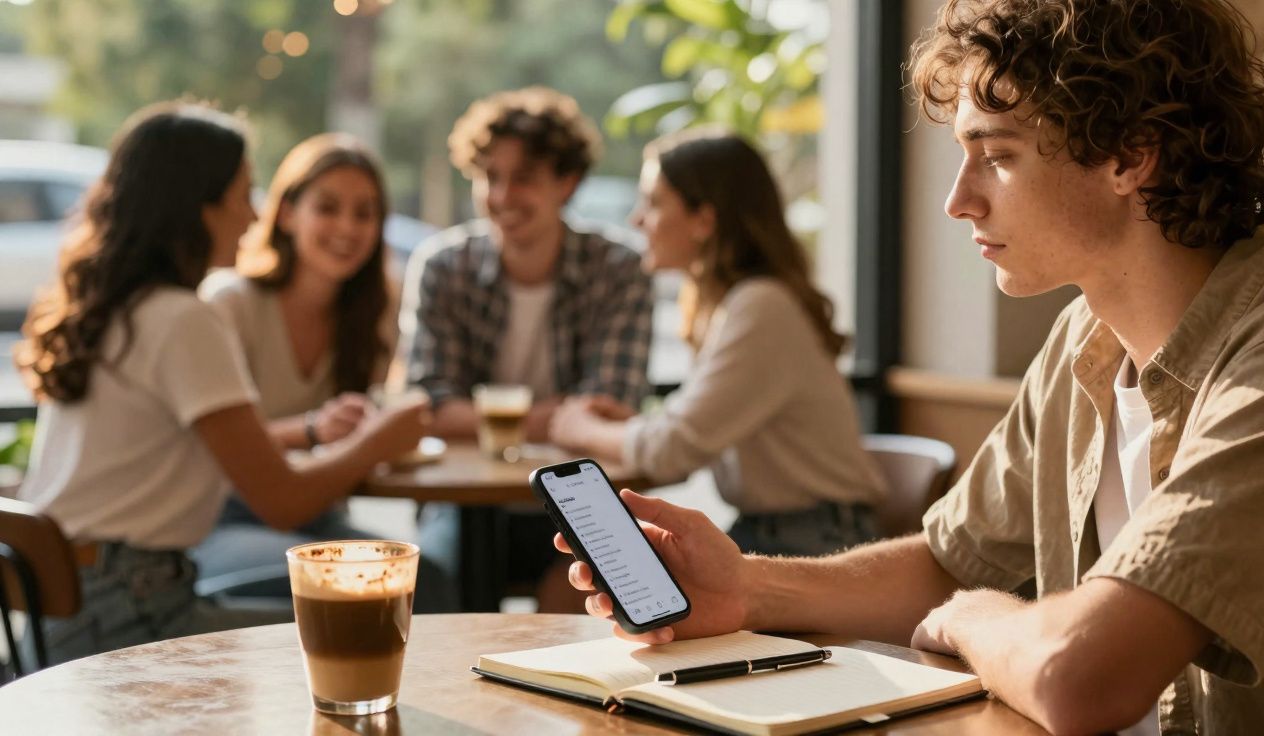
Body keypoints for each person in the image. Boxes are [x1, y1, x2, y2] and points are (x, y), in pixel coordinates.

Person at [559, 0, 1264, 732]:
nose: (959, 200)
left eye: (998, 156)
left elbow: (1080, 675)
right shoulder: (1083, 339)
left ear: (1130, 155)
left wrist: (978, 615)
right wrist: (745, 587)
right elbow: (949, 562)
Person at [13, 102, 429, 663]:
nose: (253, 217)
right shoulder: (184, 319)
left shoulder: (114, 307)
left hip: (70, 605)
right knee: (367, 630)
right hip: (127, 610)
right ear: (198, 207)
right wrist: (379, 439)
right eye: (242, 196)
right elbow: (283, 500)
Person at [549, 131, 888, 557]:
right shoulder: (734, 304)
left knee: (614, 577)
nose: (637, 220)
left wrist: (581, 428)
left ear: (703, 221)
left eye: (653, 203)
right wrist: (632, 424)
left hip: (814, 543)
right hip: (780, 532)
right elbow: (693, 432)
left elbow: (673, 451)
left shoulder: (761, 306)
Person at [399, 87, 653, 610]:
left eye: (524, 178)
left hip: (583, 497)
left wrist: (475, 417)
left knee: (611, 595)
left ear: (568, 183)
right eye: (490, 177)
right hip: (461, 499)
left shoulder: (619, 268)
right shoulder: (444, 265)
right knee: (436, 589)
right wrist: (554, 418)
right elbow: (426, 407)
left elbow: (612, 406)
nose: (502, 196)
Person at [191, 133, 453, 612]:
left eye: (364, 212)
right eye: (328, 207)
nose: (347, 228)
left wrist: (374, 434)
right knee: (379, 589)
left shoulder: (375, 311)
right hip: (219, 518)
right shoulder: (231, 302)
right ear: (288, 212)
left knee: (429, 580)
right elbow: (209, 446)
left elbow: (361, 436)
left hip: (315, 512)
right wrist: (315, 430)